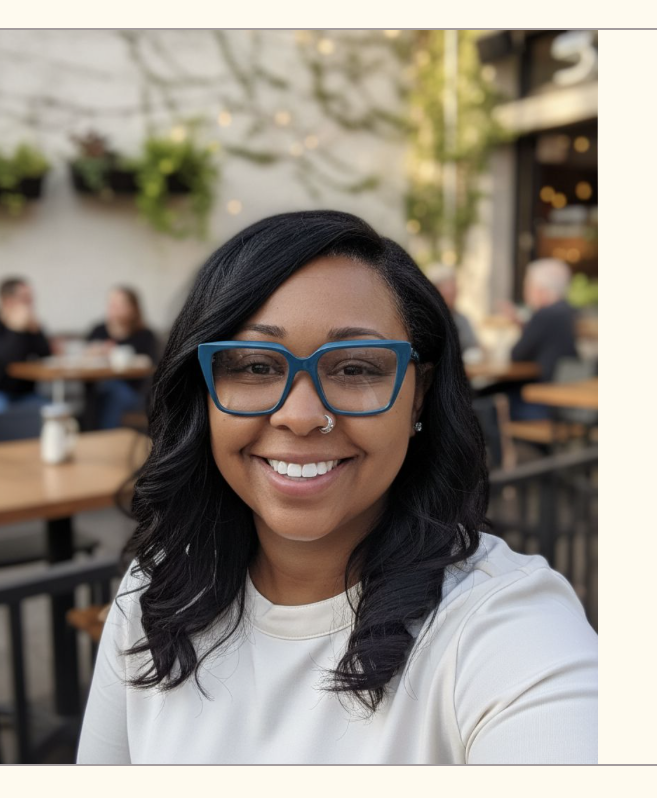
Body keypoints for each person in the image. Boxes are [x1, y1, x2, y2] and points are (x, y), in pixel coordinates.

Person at [77, 211, 597, 764]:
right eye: (254, 366)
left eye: (354, 368)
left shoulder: (503, 626)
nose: (301, 416)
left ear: (416, 396)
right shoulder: (160, 589)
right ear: (201, 392)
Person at [505, 258, 578, 420]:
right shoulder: (568, 311)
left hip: (543, 404)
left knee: (485, 403)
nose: (526, 292)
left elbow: (516, 355)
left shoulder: (544, 315)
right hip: (565, 402)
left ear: (540, 290)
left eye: (527, 286)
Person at [86, 286, 159, 429]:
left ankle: (107, 438)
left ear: (133, 308)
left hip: (135, 391)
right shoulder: (99, 331)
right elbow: (86, 354)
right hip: (99, 387)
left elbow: (151, 363)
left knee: (114, 392)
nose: (113, 308)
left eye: (119, 304)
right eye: (111, 304)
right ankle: (93, 436)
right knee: (96, 393)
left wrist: (117, 353)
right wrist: (95, 351)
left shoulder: (145, 335)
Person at [0, 277, 51, 414]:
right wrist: (15, 330)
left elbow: (46, 355)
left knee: (51, 411)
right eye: (25, 299)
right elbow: (7, 360)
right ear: (8, 301)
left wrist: (36, 332)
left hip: (26, 394)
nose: (30, 304)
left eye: (31, 298)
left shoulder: (29, 325)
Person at [426, 262, 480, 355]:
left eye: (455, 290)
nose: (454, 295)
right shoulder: (427, 320)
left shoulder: (462, 319)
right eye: (449, 291)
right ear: (435, 291)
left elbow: (474, 346)